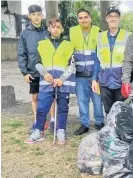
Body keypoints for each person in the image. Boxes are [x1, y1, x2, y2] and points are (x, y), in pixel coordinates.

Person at [24, 18, 75, 144]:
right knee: (42, 107)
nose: (56, 29)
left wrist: (62, 78)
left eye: (58, 27)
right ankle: (38, 131)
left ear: (62, 29)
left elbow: (72, 65)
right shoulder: (42, 44)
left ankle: (61, 131)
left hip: (62, 83)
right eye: (53, 27)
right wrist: (44, 73)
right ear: (49, 29)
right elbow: (37, 63)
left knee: (62, 108)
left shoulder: (69, 45)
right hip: (46, 82)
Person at [17, 4, 55, 133]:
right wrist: (24, 72)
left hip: (48, 71)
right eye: (33, 14)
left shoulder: (47, 31)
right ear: (29, 16)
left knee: (51, 97)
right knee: (36, 97)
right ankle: (38, 122)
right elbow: (21, 54)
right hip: (33, 71)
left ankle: (53, 121)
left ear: (42, 15)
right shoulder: (24, 34)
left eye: (39, 14)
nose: (36, 17)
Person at [69, 9, 104, 135]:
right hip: (79, 75)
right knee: (82, 101)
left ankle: (100, 123)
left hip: (95, 75)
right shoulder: (72, 32)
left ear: (90, 18)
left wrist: (96, 75)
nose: (83, 20)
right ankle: (84, 124)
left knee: (97, 101)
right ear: (77, 19)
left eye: (86, 17)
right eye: (80, 18)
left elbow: (100, 55)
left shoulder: (98, 31)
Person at [95, 7, 131, 114]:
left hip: (121, 80)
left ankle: (120, 131)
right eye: (110, 16)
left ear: (119, 19)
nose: (113, 19)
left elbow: (132, 59)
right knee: (108, 111)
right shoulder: (100, 37)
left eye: (116, 16)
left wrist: (129, 80)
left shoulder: (128, 35)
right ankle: (109, 130)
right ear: (106, 19)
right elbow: (97, 59)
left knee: (122, 110)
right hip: (105, 81)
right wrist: (94, 78)